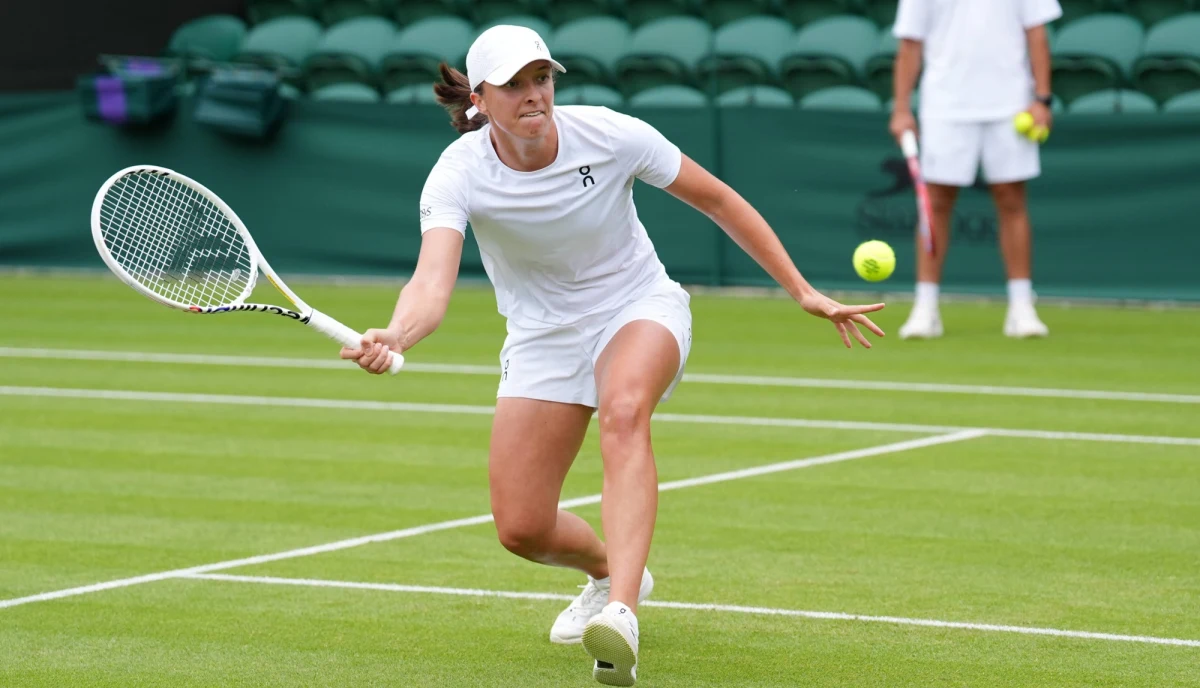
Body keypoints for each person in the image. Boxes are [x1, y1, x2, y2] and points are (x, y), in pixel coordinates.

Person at [341, 25, 885, 687]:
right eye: (514, 84)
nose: (534, 94)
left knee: (624, 411)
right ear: (481, 98)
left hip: (638, 306)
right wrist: (397, 334)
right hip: (542, 336)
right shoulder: (458, 174)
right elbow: (431, 283)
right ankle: (606, 572)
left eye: (542, 78)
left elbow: (717, 198)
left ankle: (622, 611)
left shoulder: (613, 134)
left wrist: (801, 291)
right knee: (521, 526)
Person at [889, 0, 1062, 339]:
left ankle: (1022, 307)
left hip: (1011, 103)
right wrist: (900, 109)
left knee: (1011, 199)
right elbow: (910, 43)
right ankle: (925, 308)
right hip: (945, 104)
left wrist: (1042, 98)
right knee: (934, 203)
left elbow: (1037, 34)